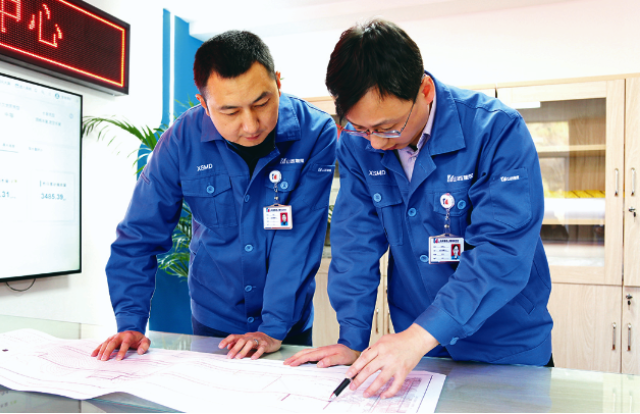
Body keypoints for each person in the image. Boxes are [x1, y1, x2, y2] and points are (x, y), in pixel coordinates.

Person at [285, 19, 553, 399]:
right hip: (421, 351)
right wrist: (352, 338)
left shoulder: (497, 130)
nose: (375, 144)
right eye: (361, 128)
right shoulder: (360, 145)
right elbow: (355, 242)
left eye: (388, 127)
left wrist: (418, 336)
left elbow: (501, 252)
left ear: (424, 90)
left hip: (503, 343)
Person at [92, 31, 337, 362]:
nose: (251, 125)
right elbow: (140, 233)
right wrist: (131, 323)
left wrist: (273, 328)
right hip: (214, 320)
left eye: (262, 103)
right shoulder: (181, 140)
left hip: (286, 327)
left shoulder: (315, 132)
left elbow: (298, 239)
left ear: (278, 84)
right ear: (204, 104)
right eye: (231, 111)